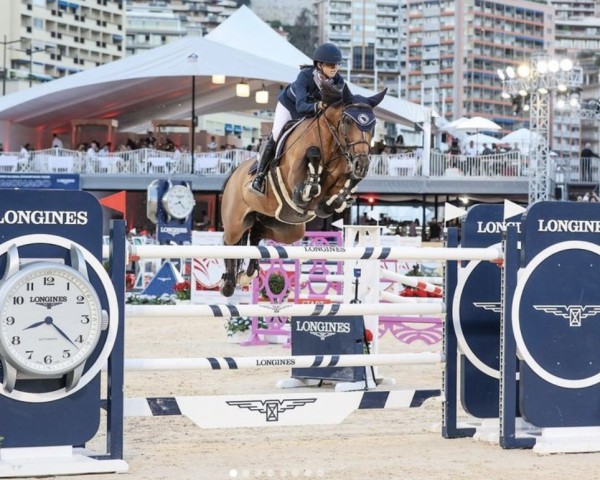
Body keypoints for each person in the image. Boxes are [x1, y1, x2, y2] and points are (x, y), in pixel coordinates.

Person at [249, 42, 345, 196]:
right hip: (290, 106)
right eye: (330, 64)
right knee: (276, 134)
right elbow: (301, 106)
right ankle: (259, 177)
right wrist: (319, 105)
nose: (334, 68)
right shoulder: (305, 76)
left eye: (337, 64)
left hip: (313, 112)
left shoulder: (339, 81)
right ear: (319, 65)